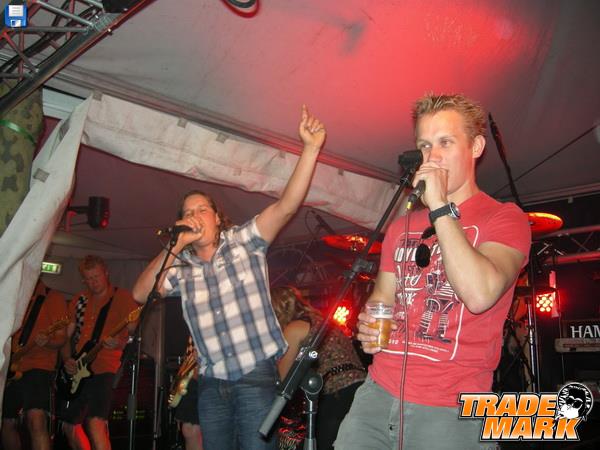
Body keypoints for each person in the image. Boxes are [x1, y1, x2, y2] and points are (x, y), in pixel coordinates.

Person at [334, 94, 532, 450]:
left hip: (450, 408)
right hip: (377, 396)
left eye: (445, 142)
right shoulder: (401, 226)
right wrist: (369, 325)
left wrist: (440, 206)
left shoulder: (505, 219)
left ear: (476, 147)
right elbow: (382, 299)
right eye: (425, 145)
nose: (432, 156)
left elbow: (479, 294)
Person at [132, 105, 326, 450]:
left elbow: (285, 206)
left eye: (202, 209)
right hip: (211, 383)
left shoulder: (243, 242)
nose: (195, 216)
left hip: (255, 376)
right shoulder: (181, 266)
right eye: (188, 212)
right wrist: (175, 245)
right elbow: (140, 293)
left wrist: (310, 149)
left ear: (217, 217)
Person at [59, 255, 139, 450]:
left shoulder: (123, 298)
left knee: (96, 423)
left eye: (96, 277)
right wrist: (67, 359)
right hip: (78, 368)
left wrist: (119, 343)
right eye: (88, 278)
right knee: (68, 425)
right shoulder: (80, 300)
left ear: (106, 273)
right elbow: (65, 336)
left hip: (105, 367)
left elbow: (134, 334)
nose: (93, 282)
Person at [271, 286, 366, 450]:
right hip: (361, 388)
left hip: (338, 393)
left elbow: (282, 380)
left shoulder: (294, 328)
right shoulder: (322, 321)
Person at [2, 279, 68, 450]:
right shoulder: (16, 296)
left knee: (36, 419)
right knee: (6, 422)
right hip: (12, 367)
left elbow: (61, 338)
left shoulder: (53, 297)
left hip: (39, 367)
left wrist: (47, 342)